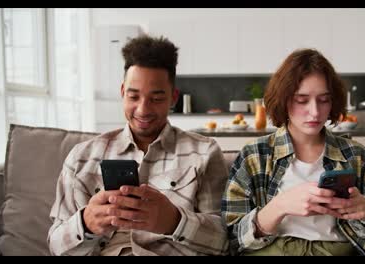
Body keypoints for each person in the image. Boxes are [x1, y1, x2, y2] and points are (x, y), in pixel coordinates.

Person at [48, 35, 229, 256]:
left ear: (173, 98)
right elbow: (56, 245)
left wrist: (174, 222)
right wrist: (85, 223)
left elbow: (225, 241)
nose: (143, 110)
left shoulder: (204, 153)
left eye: (156, 99)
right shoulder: (82, 157)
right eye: (134, 97)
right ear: (123, 92)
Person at [221, 49, 365, 256]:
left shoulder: (355, 154)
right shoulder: (254, 156)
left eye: (323, 100)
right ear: (284, 100)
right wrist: (279, 206)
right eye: (301, 100)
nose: (314, 112)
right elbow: (231, 239)